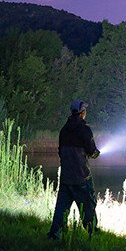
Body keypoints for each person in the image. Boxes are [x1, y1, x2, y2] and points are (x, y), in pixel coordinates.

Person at [47, 99, 100, 239]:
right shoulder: (85, 129)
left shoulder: (64, 130)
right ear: (82, 112)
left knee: (61, 208)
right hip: (82, 177)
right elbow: (91, 151)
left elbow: (60, 152)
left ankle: (54, 234)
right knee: (88, 205)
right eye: (85, 110)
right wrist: (96, 154)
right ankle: (92, 233)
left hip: (66, 177)